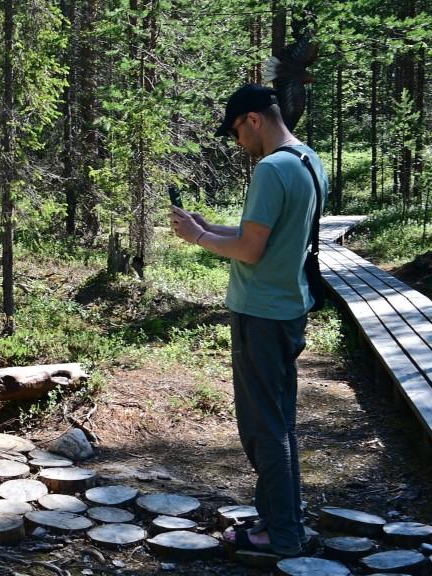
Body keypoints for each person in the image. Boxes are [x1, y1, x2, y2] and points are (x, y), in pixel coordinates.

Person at [169, 83, 328, 557]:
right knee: (279, 421)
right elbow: (266, 236)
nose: (238, 142)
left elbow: (251, 251)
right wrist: (209, 226)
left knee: (264, 428)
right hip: (287, 307)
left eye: (237, 131)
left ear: (254, 120)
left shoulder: (271, 168)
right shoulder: (306, 160)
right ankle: (285, 519)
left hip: (260, 313)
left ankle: (280, 536)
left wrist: (198, 237)